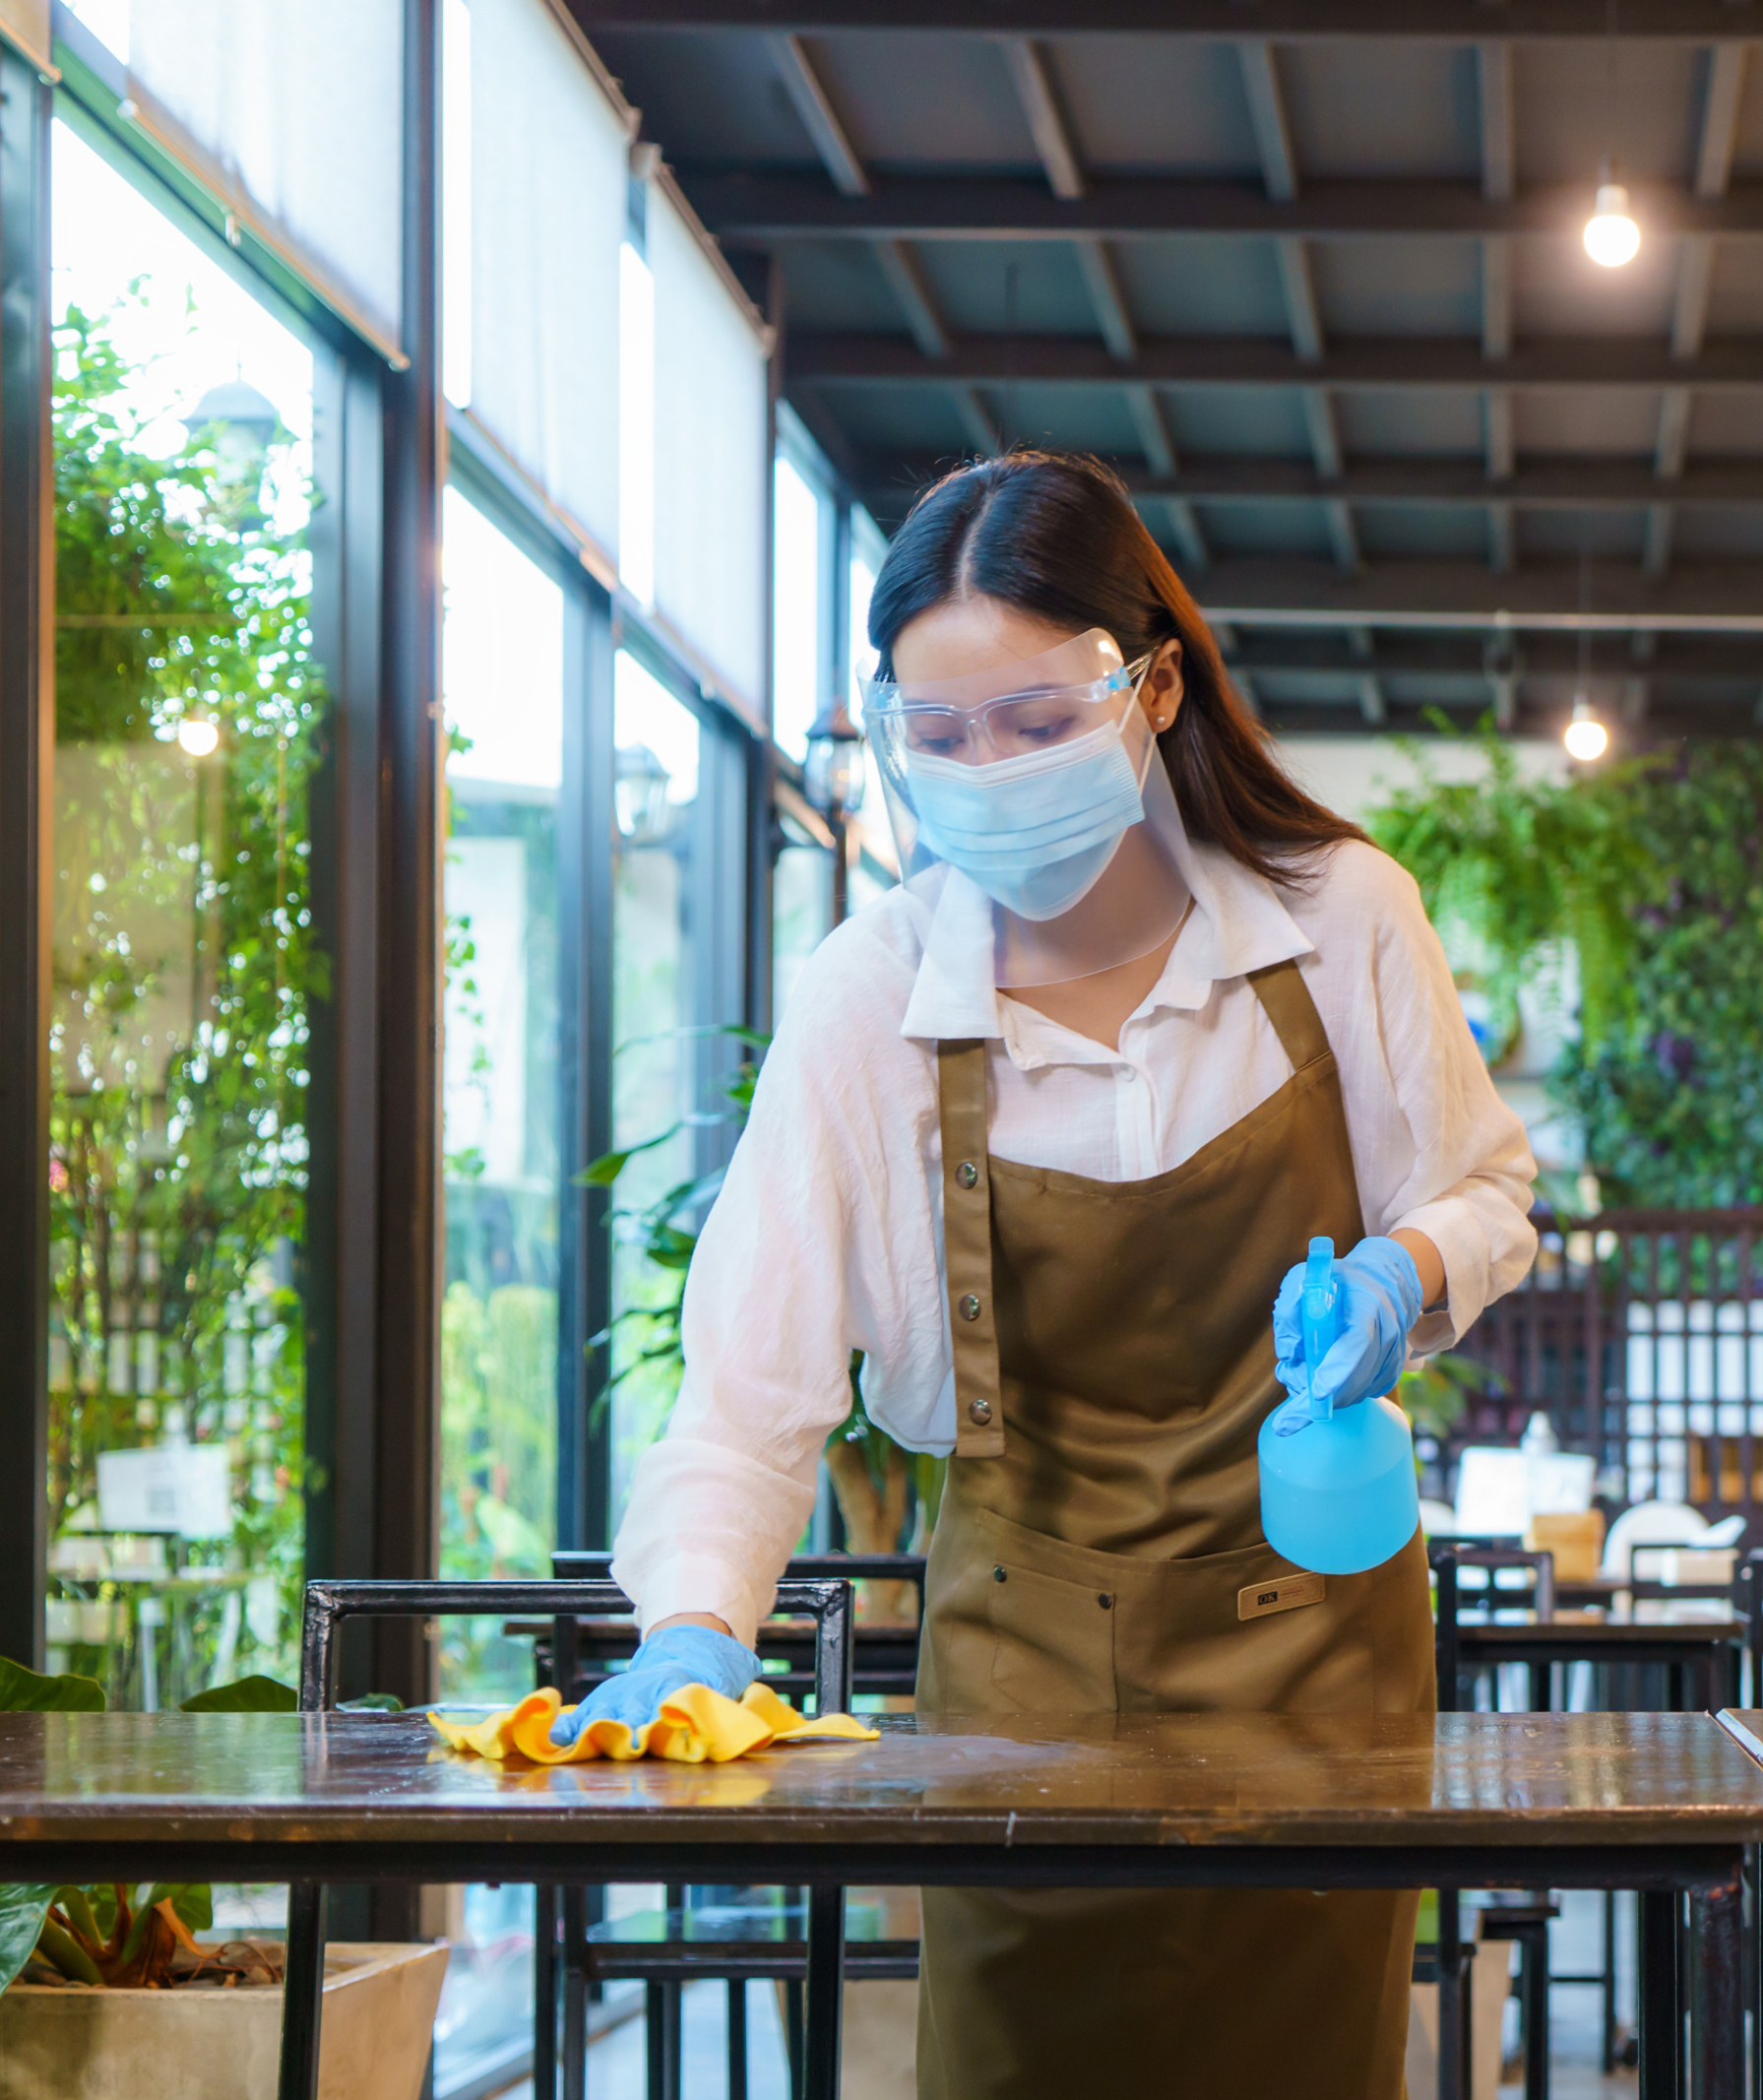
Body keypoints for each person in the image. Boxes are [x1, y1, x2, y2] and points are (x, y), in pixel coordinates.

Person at [568, 452, 1539, 2098]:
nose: (988, 773)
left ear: (1152, 685)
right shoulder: (872, 1000)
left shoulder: (1338, 919)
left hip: (1319, 1664)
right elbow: (746, 1397)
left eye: (1032, 721)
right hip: (1018, 1692)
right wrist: (692, 1630)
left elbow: (1488, 1187)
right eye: (939, 736)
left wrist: (1407, 1265)